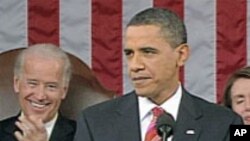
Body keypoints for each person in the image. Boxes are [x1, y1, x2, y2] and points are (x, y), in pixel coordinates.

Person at [74, 7, 242, 141]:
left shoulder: (226, 123)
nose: (135, 65)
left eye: (148, 52)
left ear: (181, 55)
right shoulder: (94, 122)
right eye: (129, 53)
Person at [0, 43, 76, 141]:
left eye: (51, 86)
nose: (40, 96)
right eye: (32, 84)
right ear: (16, 84)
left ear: (64, 91)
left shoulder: (84, 134)